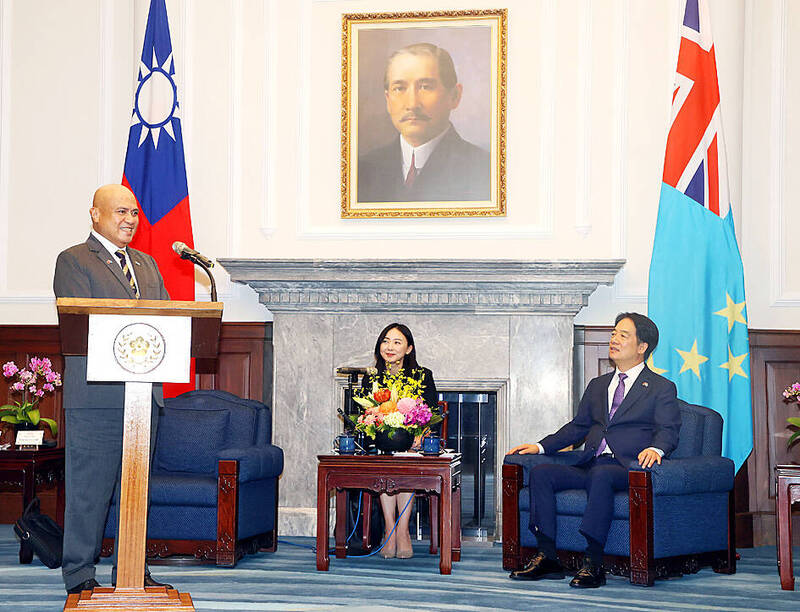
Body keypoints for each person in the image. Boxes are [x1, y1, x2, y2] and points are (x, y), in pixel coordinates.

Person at [53, 184, 173, 594]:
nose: (130, 220)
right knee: (90, 491)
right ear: (95, 214)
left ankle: (131, 570)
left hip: (143, 397)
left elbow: (169, 321)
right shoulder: (73, 260)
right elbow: (81, 322)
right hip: (96, 398)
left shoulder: (147, 264)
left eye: (135, 213)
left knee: (136, 492)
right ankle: (79, 573)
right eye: (121, 212)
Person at [507, 313, 681, 588]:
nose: (614, 339)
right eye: (614, 333)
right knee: (542, 473)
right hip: (591, 462)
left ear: (642, 346)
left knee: (601, 475)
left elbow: (668, 428)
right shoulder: (598, 385)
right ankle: (548, 556)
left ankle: (593, 563)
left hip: (628, 468)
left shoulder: (660, 387)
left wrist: (657, 448)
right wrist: (541, 446)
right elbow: (578, 427)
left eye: (623, 335)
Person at [357, 42, 490, 203]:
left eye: (425, 87)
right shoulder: (361, 171)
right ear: (388, 100)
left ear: (454, 96)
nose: (412, 104)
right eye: (399, 88)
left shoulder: (486, 170)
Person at [361, 323, 437, 559]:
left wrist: (419, 435)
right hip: (383, 445)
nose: (390, 347)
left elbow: (431, 412)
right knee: (386, 460)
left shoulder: (422, 375)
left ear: (408, 348)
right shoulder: (372, 377)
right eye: (385, 341)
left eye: (397, 342)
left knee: (406, 459)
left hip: (413, 444)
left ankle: (402, 530)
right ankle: (390, 528)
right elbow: (366, 415)